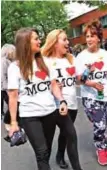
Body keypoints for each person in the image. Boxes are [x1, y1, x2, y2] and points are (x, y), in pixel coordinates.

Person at [7, 27, 73, 170]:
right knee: (41, 152)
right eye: (36, 39)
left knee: (46, 150)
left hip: (50, 113)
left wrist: (61, 100)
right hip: (30, 117)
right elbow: (12, 96)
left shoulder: (45, 63)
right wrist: (13, 122)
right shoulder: (15, 68)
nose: (39, 41)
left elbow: (54, 86)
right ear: (25, 42)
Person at [75, 19, 107, 166]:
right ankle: (100, 149)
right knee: (100, 124)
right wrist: (91, 80)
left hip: (106, 95)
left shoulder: (105, 54)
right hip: (90, 97)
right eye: (87, 36)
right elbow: (79, 79)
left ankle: (105, 146)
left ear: (98, 38)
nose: (89, 39)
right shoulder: (81, 57)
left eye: (92, 36)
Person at [42, 29, 82, 170]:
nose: (67, 42)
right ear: (54, 43)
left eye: (67, 39)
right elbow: (38, 83)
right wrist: (51, 85)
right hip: (55, 105)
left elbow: (78, 80)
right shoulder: (45, 61)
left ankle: (59, 156)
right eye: (64, 40)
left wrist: (87, 73)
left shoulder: (71, 58)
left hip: (72, 103)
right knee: (70, 135)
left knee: (66, 135)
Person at [1, 44, 16, 131]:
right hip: (4, 88)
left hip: (8, 87)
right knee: (12, 105)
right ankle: (7, 122)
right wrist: (8, 89)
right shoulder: (3, 61)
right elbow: (3, 77)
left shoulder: (9, 61)